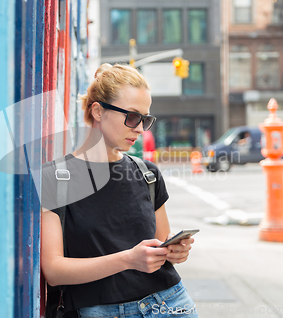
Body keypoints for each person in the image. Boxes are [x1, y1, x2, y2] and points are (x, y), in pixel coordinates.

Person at [41, 63, 198, 318]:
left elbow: (159, 248)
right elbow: (54, 270)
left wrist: (174, 252)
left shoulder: (147, 174)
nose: (139, 128)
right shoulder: (57, 177)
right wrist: (128, 259)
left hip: (169, 303)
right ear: (98, 111)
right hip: (101, 311)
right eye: (132, 116)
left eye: (145, 120)